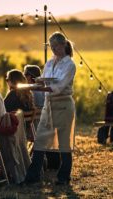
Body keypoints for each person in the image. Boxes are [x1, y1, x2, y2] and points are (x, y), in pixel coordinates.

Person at [24, 32, 76, 185]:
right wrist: (33, 85)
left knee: (64, 143)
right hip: (49, 106)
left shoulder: (70, 65)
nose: (53, 50)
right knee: (40, 140)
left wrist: (42, 88)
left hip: (63, 105)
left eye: (55, 47)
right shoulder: (49, 62)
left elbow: (59, 87)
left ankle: (63, 177)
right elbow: (44, 81)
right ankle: (32, 177)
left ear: (63, 45)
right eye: (51, 47)